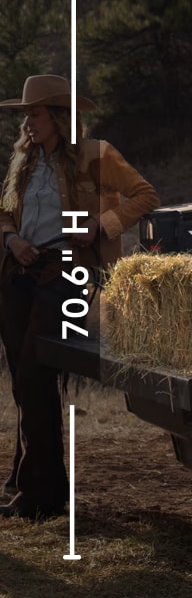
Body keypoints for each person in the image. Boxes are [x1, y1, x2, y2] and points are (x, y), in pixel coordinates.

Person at [0, 74, 158, 520]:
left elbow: (145, 195)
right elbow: (4, 213)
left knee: (33, 373)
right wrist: (11, 241)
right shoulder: (23, 162)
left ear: (57, 115)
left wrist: (101, 224)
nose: (28, 123)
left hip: (67, 271)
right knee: (24, 381)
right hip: (18, 271)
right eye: (25, 115)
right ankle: (28, 480)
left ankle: (41, 496)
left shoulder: (95, 156)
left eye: (34, 113)